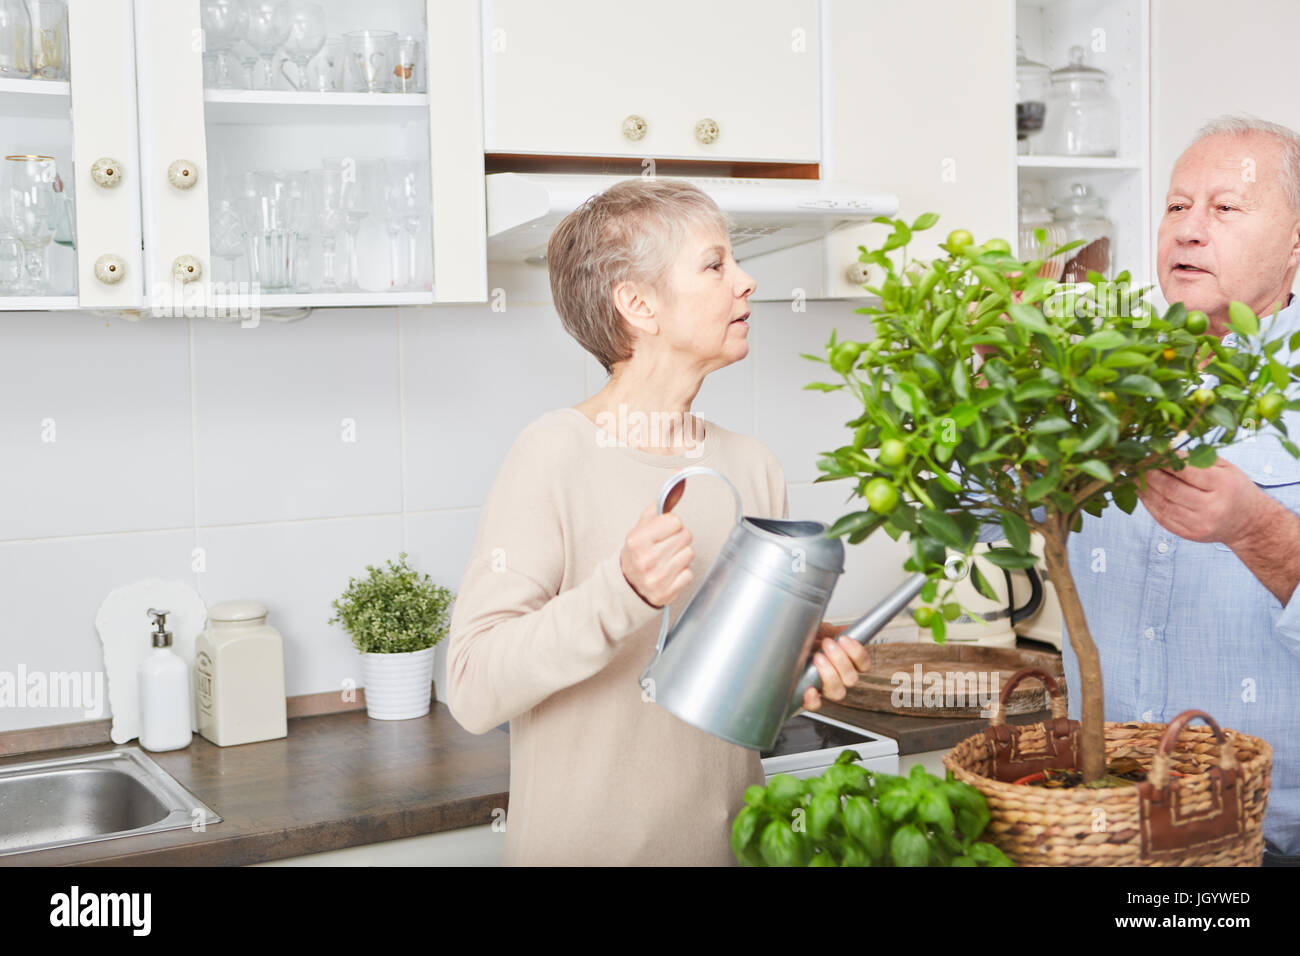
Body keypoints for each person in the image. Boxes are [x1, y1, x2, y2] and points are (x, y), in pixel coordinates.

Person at [443, 178, 867, 865]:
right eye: (715, 264)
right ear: (639, 305)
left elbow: (742, 712)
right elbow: (472, 686)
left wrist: (799, 666)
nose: (748, 282)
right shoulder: (555, 452)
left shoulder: (752, 466)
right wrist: (622, 593)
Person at [1063, 115, 1300, 864]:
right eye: (1176, 207)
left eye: (1225, 209)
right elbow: (971, 517)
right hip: (1099, 825)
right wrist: (974, 376)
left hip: (1270, 844)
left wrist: (1257, 528)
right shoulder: (1093, 376)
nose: (1189, 231)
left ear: (1296, 245)